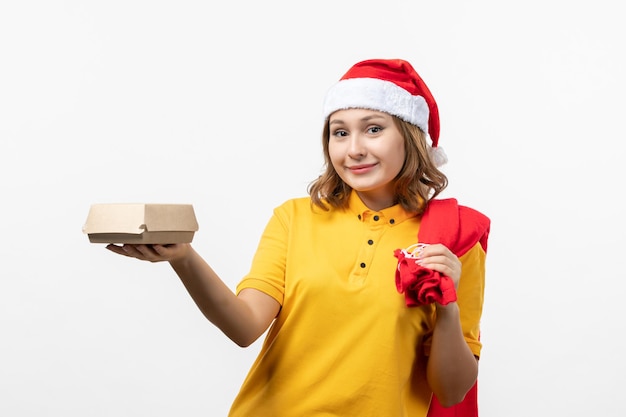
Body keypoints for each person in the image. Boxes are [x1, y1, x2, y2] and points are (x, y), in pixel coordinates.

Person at [106, 58, 491, 417]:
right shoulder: (295, 218)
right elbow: (244, 327)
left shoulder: (454, 240)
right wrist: (182, 257)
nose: (354, 149)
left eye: (373, 129)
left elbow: (452, 390)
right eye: (340, 133)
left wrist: (448, 307)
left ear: (410, 135)